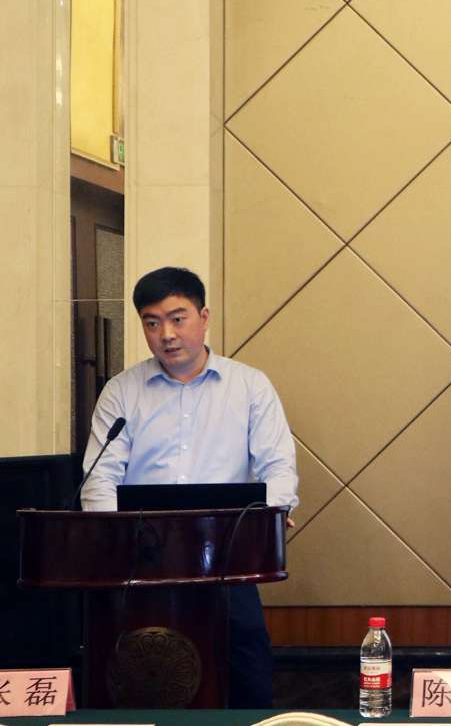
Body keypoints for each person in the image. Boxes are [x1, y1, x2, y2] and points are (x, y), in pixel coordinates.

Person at [81, 265, 299, 708]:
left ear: (204, 317)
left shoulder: (249, 386)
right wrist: (115, 539)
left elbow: (278, 467)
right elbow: (99, 478)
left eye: (177, 319)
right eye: (152, 322)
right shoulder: (122, 392)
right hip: (142, 563)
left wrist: (269, 517)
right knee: (137, 679)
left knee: (248, 677)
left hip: (226, 556)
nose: (166, 334)